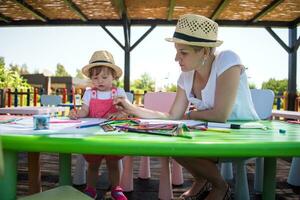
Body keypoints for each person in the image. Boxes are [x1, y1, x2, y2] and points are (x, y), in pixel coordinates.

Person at [113, 14, 259, 200]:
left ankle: (220, 187)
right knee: (170, 140)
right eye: (177, 51)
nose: (176, 58)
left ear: (205, 52)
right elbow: (172, 116)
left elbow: (220, 114)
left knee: (178, 135)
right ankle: (203, 180)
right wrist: (131, 108)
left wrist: (191, 114)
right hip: (213, 135)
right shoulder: (185, 76)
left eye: (183, 52)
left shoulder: (227, 60)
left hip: (244, 137)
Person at [69, 50, 128, 200]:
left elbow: (126, 112)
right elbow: (84, 110)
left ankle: (116, 188)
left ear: (113, 76)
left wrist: (121, 114)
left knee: (113, 163)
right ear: (90, 79)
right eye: (96, 77)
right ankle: (91, 189)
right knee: (93, 164)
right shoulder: (89, 93)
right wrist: (77, 113)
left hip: (112, 135)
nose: (100, 81)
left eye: (104, 77)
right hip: (92, 135)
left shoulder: (118, 92)